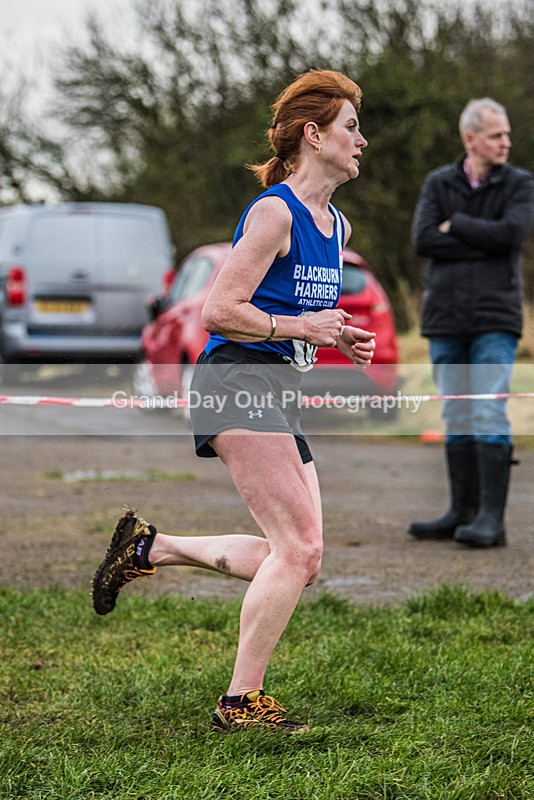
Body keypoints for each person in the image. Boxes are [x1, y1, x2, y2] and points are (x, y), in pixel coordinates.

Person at [92, 69, 375, 733]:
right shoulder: (276, 211)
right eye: (351, 127)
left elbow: (299, 311)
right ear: (315, 134)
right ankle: (239, 702)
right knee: (300, 551)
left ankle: (148, 549)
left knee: (297, 558)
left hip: (277, 389)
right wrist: (305, 328)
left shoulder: (337, 224)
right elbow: (220, 310)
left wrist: (339, 336)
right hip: (235, 381)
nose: (363, 140)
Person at [409, 97, 534, 548]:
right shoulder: (438, 182)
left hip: (494, 319)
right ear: (471, 139)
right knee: (456, 411)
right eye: (497, 134)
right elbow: (423, 239)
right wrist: (481, 237)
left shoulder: (520, 184)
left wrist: (456, 224)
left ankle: (490, 521)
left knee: (486, 408)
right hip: (444, 318)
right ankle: (459, 512)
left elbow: (511, 235)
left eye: (506, 134)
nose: (506, 142)